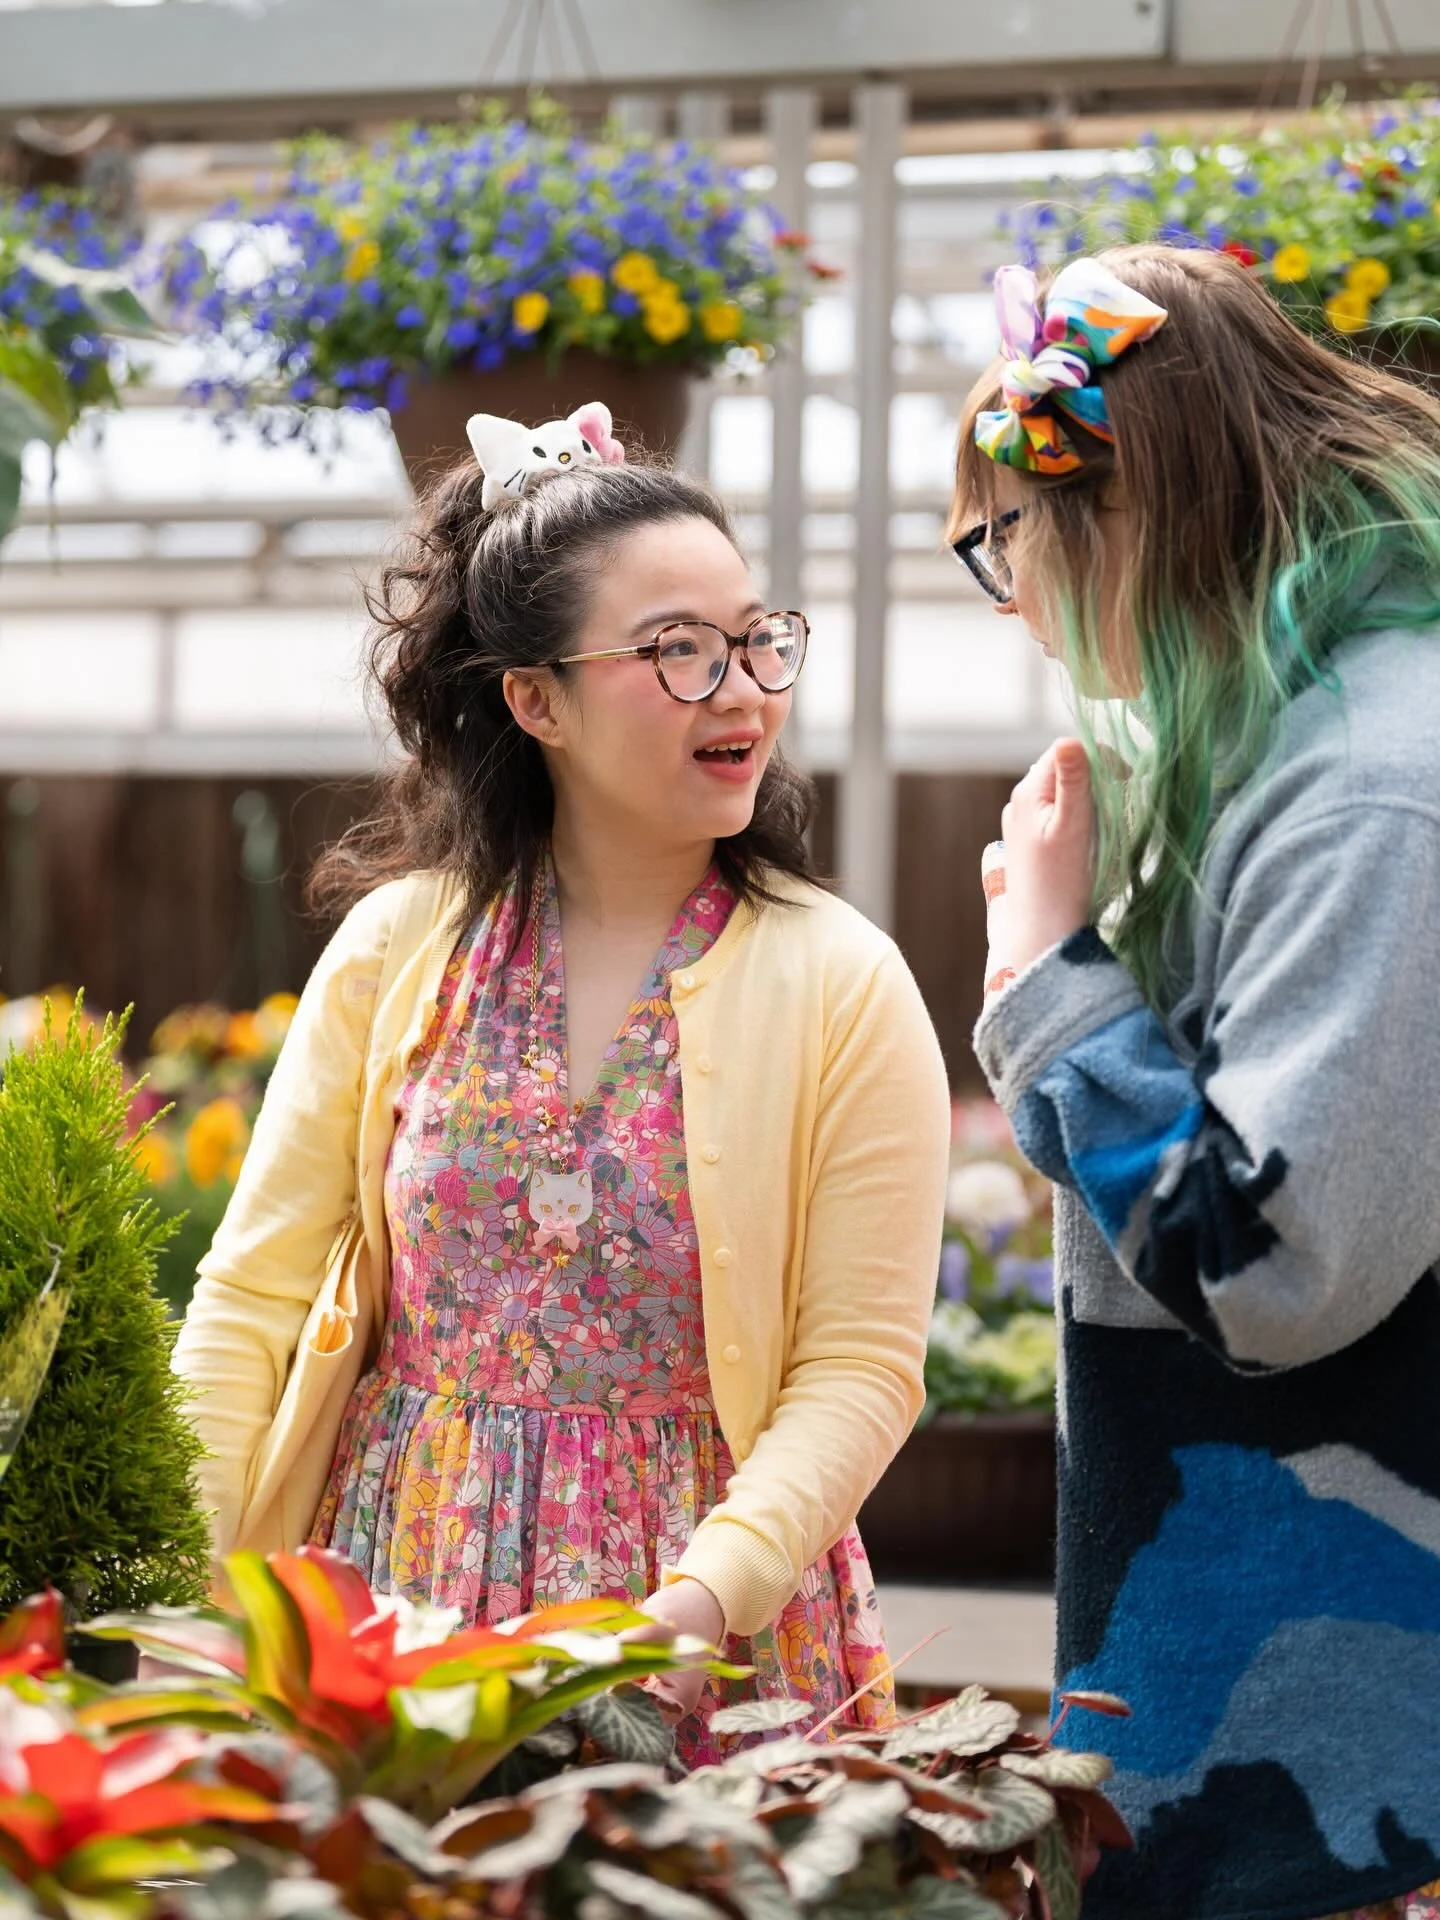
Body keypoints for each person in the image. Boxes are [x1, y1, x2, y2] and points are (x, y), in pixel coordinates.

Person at [174, 413, 951, 1764]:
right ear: (536, 701)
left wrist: (692, 1614)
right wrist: (175, 1594)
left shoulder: (842, 982)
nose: (742, 690)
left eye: (756, 639)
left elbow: (863, 1370)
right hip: (393, 1615)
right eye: (678, 650)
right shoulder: (401, 948)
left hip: (713, 1645)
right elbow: (253, 1301)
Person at [951, 247, 1440, 1920]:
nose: (1011, 598)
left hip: (1335, 1767)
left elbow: (1269, 1266)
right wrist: (1062, 972)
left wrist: (1052, 974)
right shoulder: (1302, 729)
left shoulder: (1370, 794)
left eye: (1004, 538)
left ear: (1125, 509)